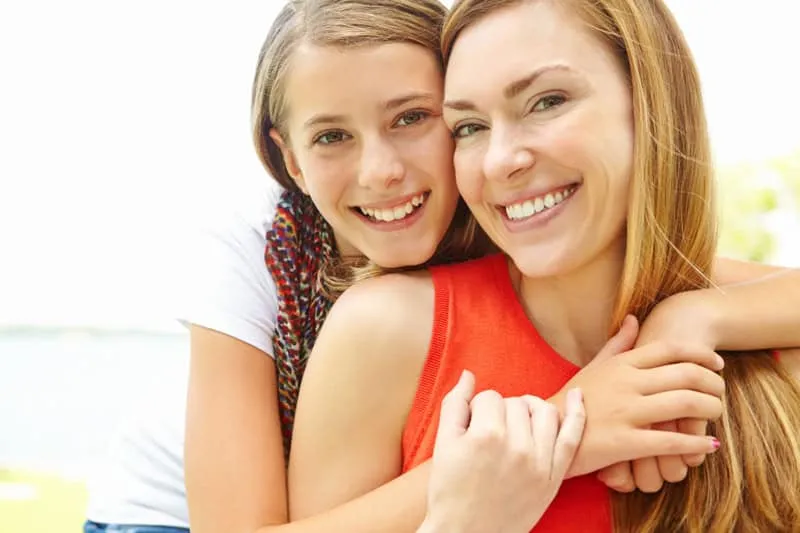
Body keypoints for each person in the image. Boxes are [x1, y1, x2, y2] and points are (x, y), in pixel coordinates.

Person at [85, 0, 800, 532]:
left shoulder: (503, 213)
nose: (383, 171)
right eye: (332, 136)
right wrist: (558, 430)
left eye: (414, 119)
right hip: (157, 512)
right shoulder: (252, 258)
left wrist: (694, 312)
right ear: (290, 158)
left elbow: (690, 266)